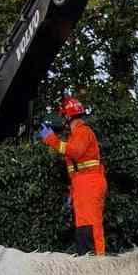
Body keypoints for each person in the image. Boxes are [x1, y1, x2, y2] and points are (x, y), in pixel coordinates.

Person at [38, 96, 108, 255]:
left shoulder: (83, 131)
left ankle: (96, 266)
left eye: (63, 116)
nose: (62, 120)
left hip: (89, 184)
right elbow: (77, 168)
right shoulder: (77, 134)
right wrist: (72, 192)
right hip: (84, 184)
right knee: (85, 227)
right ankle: (88, 262)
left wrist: (50, 139)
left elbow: (74, 152)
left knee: (90, 227)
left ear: (68, 116)